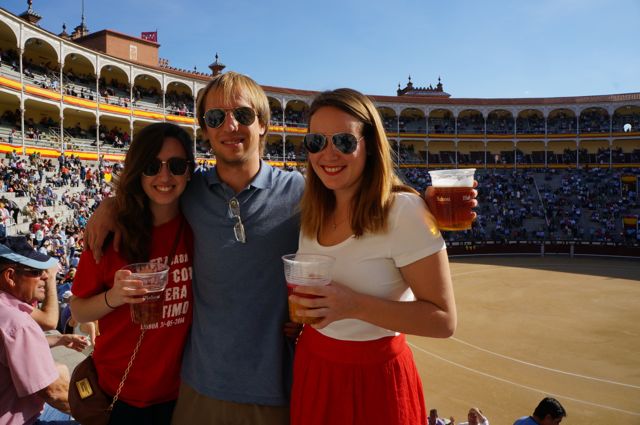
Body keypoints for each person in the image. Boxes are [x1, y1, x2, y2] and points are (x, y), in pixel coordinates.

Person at [85, 72, 477, 425]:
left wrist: (421, 204)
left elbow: (374, 201)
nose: (230, 126)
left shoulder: (305, 196)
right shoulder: (192, 191)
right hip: (201, 386)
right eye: (215, 118)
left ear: (265, 124)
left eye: (242, 114)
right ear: (204, 129)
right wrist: (112, 203)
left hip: (281, 388)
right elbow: (154, 186)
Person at [288, 88, 456, 425]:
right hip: (314, 365)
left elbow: (444, 321)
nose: (328, 154)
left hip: (376, 380)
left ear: (369, 146)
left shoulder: (404, 211)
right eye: (316, 142)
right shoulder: (313, 209)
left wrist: (354, 305)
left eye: (344, 142)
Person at [70, 122, 195, 424]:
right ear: (138, 170)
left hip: (183, 392)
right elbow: (78, 310)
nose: (164, 177)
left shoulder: (200, 226)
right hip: (118, 390)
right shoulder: (110, 234)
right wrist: (114, 297)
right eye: (152, 166)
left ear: (189, 171)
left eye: (176, 166)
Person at [0, 235, 88, 424]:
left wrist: (58, 339)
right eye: (35, 271)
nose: (46, 276)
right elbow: (54, 392)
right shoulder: (17, 323)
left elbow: (10, 348)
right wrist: (102, 415)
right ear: (10, 276)